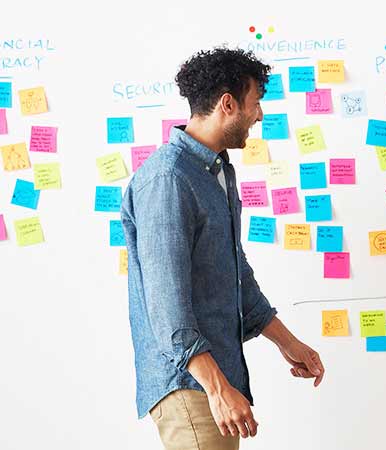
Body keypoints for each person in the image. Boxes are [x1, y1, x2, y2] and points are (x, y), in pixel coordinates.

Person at [121, 47, 325, 450]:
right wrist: (216, 389)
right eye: (256, 103)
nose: (260, 115)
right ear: (227, 104)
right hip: (191, 383)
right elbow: (166, 305)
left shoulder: (217, 172)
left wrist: (287, 341)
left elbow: (234, 272)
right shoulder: (168, 180)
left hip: (212, 380)